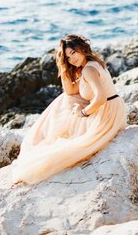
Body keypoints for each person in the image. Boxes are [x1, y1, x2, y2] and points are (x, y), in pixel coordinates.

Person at [10, 34, 127, 185]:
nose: (72, 59)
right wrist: (61, 64)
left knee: (65, 111)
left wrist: (83, 112)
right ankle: (47, 136)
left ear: (82, 48)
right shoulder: (91, 63)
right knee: (66, 99)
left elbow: (101, 98)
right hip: (113, 109)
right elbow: (70, 91)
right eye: (68, 57)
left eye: (73, 53)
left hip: (107, 114)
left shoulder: (88, 70)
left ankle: (42, 138)